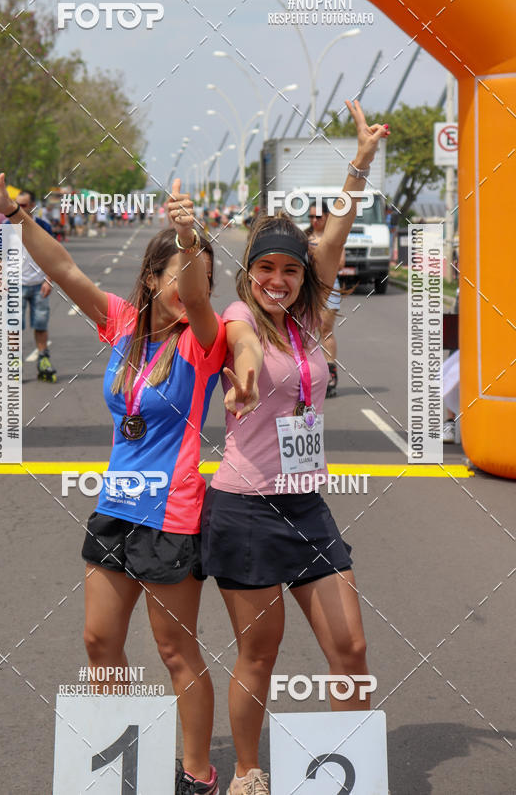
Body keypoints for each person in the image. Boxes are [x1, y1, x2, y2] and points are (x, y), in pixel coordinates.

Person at [0, 174, 254, 795]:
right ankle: (121, 758)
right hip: (116, 506)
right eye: (184, 274)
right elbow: (64, 268)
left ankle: (198, 774)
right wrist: (16, 216)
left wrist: (190, 239)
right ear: (151, 279)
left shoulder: (202, 342)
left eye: (205, 278)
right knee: (99, 640)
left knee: (176, 652)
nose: (196, 288)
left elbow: (200, 302)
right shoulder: (123, 325)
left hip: (171, 513)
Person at [201, 100, 389, 795]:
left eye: (289, 269)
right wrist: (247, 371)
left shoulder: (310, 313)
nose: (278, 279)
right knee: (260, 654)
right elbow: (242, 346)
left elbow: (334, 233)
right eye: (266, 268)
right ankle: (248, 771)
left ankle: (349, 771)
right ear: (249, 273)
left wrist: (359, 161)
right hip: (246, 508)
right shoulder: (240, 316)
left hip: (307, 506)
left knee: (352, 648)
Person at [10, 190, 57, 382]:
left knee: (40, 325)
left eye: (23, 205)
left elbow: (53, 256)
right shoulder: (6, 226)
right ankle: (14, 363)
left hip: (39, 285)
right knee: (13, 328)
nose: (18, 208)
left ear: (32, 205)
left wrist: (48, 280)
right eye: (16, 204)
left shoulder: (43, 227)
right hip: (14, 284)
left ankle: (43, 360)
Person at [306, 200, 345, 397]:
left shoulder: (333, 238)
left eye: (318, 217)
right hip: (308, 288)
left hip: (329, 287)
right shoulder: (305, 237)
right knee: (306, 331)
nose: (314, 220)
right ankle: (310, 376)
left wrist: (319, 254)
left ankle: (330, 374)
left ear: (327, 217)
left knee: (325, 330)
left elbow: (341, 263)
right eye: (311, 216)